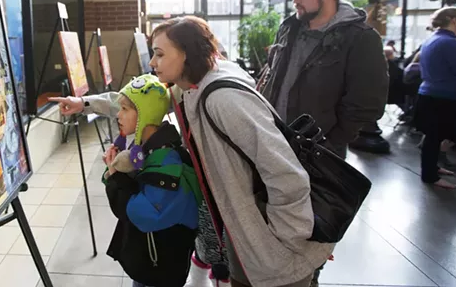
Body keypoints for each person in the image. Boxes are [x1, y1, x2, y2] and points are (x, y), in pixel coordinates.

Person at [52, 16, 333, 287]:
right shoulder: (190, 88)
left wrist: (290, 240)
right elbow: (137, 102)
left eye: (160, 54)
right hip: (246, 239)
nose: (152, 62)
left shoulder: (223, 99)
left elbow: (285, 173)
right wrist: (84, 103)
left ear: (186, 54)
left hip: (274, 248)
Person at [259, 0, 389, 159]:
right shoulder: (288, 28)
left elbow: (367, 104)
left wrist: (328, 143)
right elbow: (272, 76)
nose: (295, 1)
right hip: (274, 142)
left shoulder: (360, 38)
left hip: (317, 154)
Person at [102, 75, 201, 287]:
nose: (118, 115)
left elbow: (142, 214)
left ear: (145, 114)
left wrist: (114, 176)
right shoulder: (148, 151)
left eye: (125, 109)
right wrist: (115, 171)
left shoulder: (167, 162)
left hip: (159, 271)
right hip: (149, 260)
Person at [414, 7, 456, 189]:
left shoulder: (432, 40)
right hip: (443, 97)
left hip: (430, 94)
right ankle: (430, 175)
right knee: (435, 137)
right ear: (453, 20)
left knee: (434, 136)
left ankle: (432, 169)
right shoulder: (449, 43)